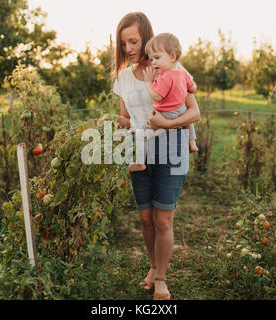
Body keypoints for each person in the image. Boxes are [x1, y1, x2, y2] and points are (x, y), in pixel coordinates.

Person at [112, 12, 200, 300]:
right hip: (140, 150)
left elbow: (194, 112)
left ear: (146, 36)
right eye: (124, 44)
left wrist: (167, 123)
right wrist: (116, 123)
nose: (130, 49)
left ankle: (161, 279)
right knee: (146, 218)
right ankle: (151, 267)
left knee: (163, 220)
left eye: (134, 41)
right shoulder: (123, 79)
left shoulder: (170, 68)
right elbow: (127, 117)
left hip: (171, 148)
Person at [128, 32, 199, 173]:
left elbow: (157, 96)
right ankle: (192, 143)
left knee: (141, 133)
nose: (153, 62)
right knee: (186, 120)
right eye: (151, 58)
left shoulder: (164, 77)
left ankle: (140, 162)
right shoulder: (182, 73)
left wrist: (148, 83)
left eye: (157, 58)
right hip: (179, 110)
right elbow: (193, 88)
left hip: (165, 114)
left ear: (172, 56)